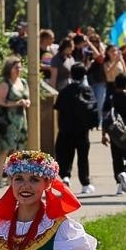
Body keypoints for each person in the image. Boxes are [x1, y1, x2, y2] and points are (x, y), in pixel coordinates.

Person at [53, 62, 99, 194]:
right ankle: (85, 183)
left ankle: (66, 177)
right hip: (82, 130)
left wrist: (60, 127)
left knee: (66, 155)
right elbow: (93, 109)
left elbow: (58, 110)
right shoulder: (87, 91)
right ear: (84, 75)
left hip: (66, 129)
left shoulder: (64, 91)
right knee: (83, 157)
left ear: (71, 74)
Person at [0, 56, 30, 188]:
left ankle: (14, 177)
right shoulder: (5, 83)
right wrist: (16, 103)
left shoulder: (23, 82)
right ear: (10, 68)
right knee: (4, 148)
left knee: (18, 150)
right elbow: (0, 101)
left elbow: (27, 98)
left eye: (20, 67)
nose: (19, 69)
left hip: (21, 119)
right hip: (7, 120)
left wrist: (26, 102)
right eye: (16, 67)